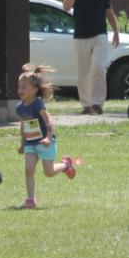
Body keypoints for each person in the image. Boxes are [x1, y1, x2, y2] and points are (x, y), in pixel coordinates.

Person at [63, 0, 120, 115]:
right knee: (83, 72)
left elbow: (109, 12)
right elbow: (66, 7)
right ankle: (87, 106)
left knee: (99, 67)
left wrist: (115, 32)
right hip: (80, 37)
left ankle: (97, 104)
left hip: (99, 35)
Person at [17, 64, 76, 209]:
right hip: (31, 144)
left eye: (24, 87)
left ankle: (66, 165)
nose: (20, 89)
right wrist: (23, 144)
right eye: (19, 86)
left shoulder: (38, 105)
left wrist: (49, 138)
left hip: (45, 143)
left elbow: (49, 121)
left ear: (34, 90)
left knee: (48, 173)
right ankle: (30, 199)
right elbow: (23, 126)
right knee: (29, 169)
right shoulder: (19, 107)